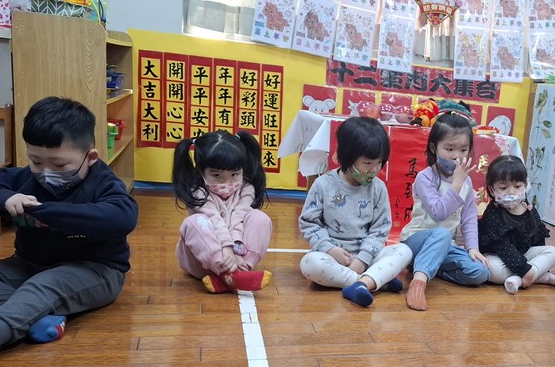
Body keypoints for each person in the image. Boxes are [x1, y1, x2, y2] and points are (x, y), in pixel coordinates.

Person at [0, 96, 138, 366]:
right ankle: (37, 320)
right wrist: (3, 198)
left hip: (97, 272)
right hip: (29, 265)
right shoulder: (25, 178)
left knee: (45, 285)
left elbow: (123, 217)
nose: (45, 172)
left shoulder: (103, 182)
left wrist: (46, 212)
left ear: (90, 158)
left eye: (60, 165)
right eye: (36, 161)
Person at [298, 117, 411, 307]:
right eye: (367, 163)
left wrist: (362, 259)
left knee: (404, 251)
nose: (374, 169)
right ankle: (372, 281)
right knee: (309, 264)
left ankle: (363, 281)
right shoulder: (323, 184)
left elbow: (380, 230)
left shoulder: (378, 188)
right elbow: (309, 223)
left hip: (368, 257)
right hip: (332, 257)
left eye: (380, 162)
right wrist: (330, 249)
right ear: (347, 157)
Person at [399, 111, 490, 310]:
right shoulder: (425, 177)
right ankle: (418, 282)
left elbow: (469, 218)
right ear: (434, 148)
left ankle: (432, 267)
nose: (457, 156)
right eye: (449, 149)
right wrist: (456, 184)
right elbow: (439, 212)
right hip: (416, 240)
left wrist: (472, 248)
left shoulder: (466, 181)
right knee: (441, 234)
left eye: (463, 149)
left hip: (445, 245)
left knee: (480, 272)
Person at [172, 130, 273, 294]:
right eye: (217, 175)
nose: (227, 182)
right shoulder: (198, 191)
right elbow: (215, 219)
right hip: (202, 264)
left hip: (238, 259)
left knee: (260, 218)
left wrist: (237, 252)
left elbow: (237, 219)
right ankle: (232, 275)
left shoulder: (246, 189)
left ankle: (236, 274)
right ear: (201, 171)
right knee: (194, 222)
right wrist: (226, 248)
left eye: (235, 174)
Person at [478, 155, 555, 294]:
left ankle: (523, 278)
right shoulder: (492, 214)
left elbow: (538, 240)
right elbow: (503, 248)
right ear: (492, 190)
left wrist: (536, 265)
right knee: (490, 267)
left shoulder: (529, 209)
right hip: (499, 257)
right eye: (503, 187)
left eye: (517, 186)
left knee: (553, 252)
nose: (511, 192)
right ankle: (535, 275)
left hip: (524, 254)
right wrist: (525, 270)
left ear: (525, 186)